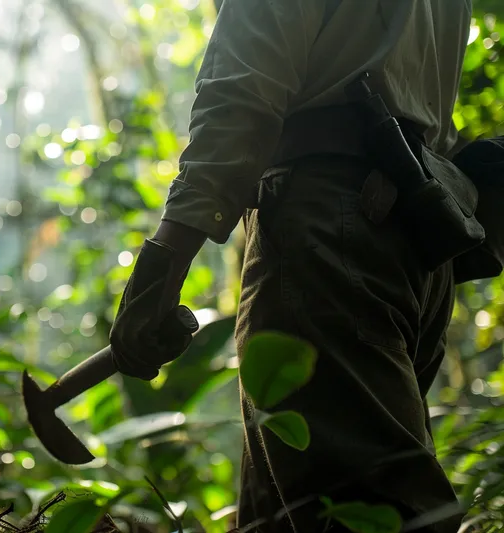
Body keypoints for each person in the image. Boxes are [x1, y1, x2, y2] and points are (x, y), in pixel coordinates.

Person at [109, 1, 477, 531]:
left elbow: (241, 91)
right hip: (412, 229)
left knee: (373, 512)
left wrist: (162, 267)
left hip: (328, 234)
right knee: (284, 515)